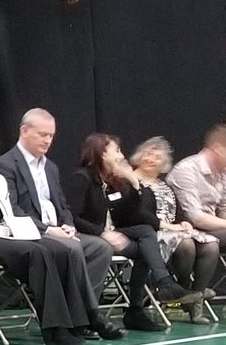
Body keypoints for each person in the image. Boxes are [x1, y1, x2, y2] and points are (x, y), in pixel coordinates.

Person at [0, 123, 105, 345]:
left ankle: (77, 322)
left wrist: (18, 229)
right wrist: (1, 231)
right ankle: (55, 330)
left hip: (5, 237)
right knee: (35, 253)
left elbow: (9, 216)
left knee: (59, 249)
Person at [0, 108, 122, 340]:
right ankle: (91, 316)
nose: (48, 140)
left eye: (51, 135)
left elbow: (62, 204)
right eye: (42, 134)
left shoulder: (50, 167)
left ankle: (78, 318)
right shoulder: (6, 165)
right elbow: (12, 210)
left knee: (101, 247)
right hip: (33, 233)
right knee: (71, 248)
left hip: (58, 230)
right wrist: (49, 230)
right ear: (24, 131)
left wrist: (69, 225)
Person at [65, 133, 201, 331]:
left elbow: (134, 215)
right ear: (102, 154)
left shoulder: (111, 181)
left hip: (114, 233)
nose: (121, 156)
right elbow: (72, 217)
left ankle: (141, 304)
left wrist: (135, 183)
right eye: (116, 151)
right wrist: (102, 233)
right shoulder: (83, 178)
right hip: (89, 236)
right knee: (146, 242)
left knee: (146, 237)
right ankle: (152, 292)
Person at [130, 136, 221, 323]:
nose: (150, 159)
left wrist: (184, 223)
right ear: (138, 157)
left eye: (156, 157)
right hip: (150, 232)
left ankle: (195, 300)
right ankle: (187, 291)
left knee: (211, 245)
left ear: (163, 164)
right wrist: (170, 226)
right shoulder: (131, 182)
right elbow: (140, 215)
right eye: (147, 154)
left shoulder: (164, 186)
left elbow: (178, 211)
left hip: (173, 230)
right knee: (186, 244)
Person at [167, 124, 226, 251]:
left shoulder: (222, 173)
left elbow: (223, 209)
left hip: (212, 229)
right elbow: (196, 218)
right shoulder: (187, 170)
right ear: (218, 149)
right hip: (187, 230)